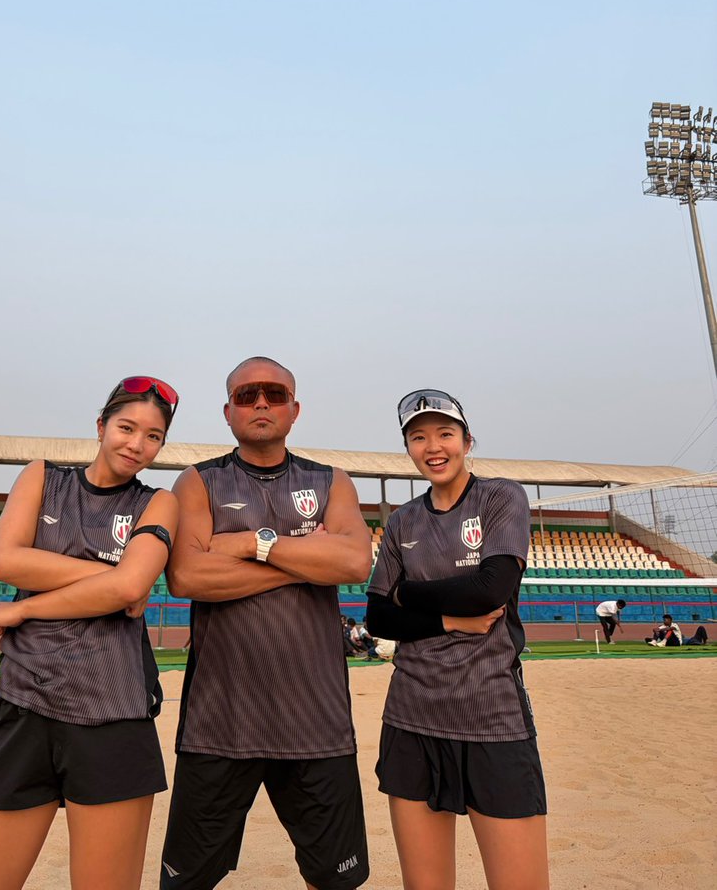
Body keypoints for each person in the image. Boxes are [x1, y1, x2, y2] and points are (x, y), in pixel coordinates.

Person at [0, 376, 180, 890]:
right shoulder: (43, 478)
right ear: (100, 426)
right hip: (25, 703)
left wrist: (24, 612)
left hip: (114, 714)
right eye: (126, 427)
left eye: (153, 436)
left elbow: (135, 586)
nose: (136, 444)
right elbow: (7, 561)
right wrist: (116, 579)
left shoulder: (159, 502)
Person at [161, 356, 373, 890]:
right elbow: (187, 576)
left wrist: (254, 547)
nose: (261, 402)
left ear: (294, 410)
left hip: (317, 721)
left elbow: (353, 564)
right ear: (227, 411)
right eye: (247, 395)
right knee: (187, 880)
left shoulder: (330, 481)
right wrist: (304, 558)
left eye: (274, 394)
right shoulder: (197, 481)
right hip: (220, 720)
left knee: (335, 879)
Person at [366, 388, 549, 890]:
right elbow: (378, 617)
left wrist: (411, 593)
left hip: (491, 715)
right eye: (418, 437)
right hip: (412, 716)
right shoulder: (403, 520)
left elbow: (491, 589)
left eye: (445, 434)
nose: (433, 446)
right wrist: (449, 621)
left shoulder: (500, 495)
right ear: (408, 448)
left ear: (467, 441)